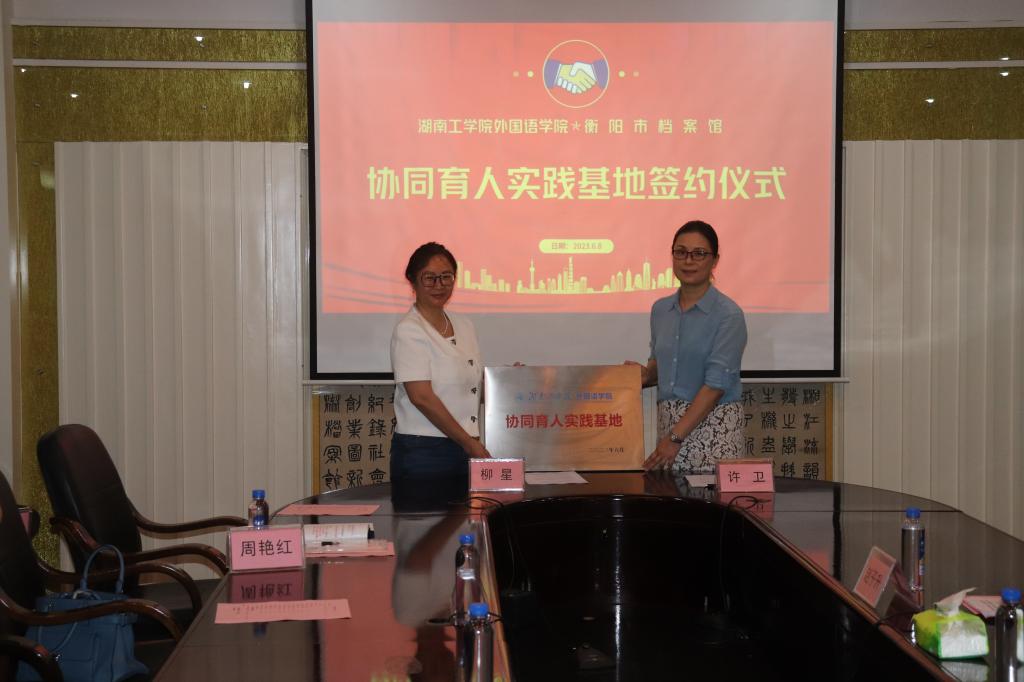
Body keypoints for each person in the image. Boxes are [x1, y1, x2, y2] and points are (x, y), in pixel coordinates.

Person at [630, 220, 747, 473]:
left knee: (709, 499)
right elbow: (661, 365)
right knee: (670, 496)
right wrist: (642, 375)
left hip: (713, 430)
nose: (688, 261)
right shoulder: (661, 310)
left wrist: (675, 438)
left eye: (699, 253)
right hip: (669, 431)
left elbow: (715, 386)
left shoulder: (728, 315)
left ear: (715, 260)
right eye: (681, 252)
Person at [390, 242, 489, 484]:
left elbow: (470, 387)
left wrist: (507, 382)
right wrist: (468, 444)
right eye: (429, 278)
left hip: (465, 446)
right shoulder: (409, 330)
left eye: (446, 277)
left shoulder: (464, 325)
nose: (439, 285)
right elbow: (421, 397)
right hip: (424, 451)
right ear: (412, 281)